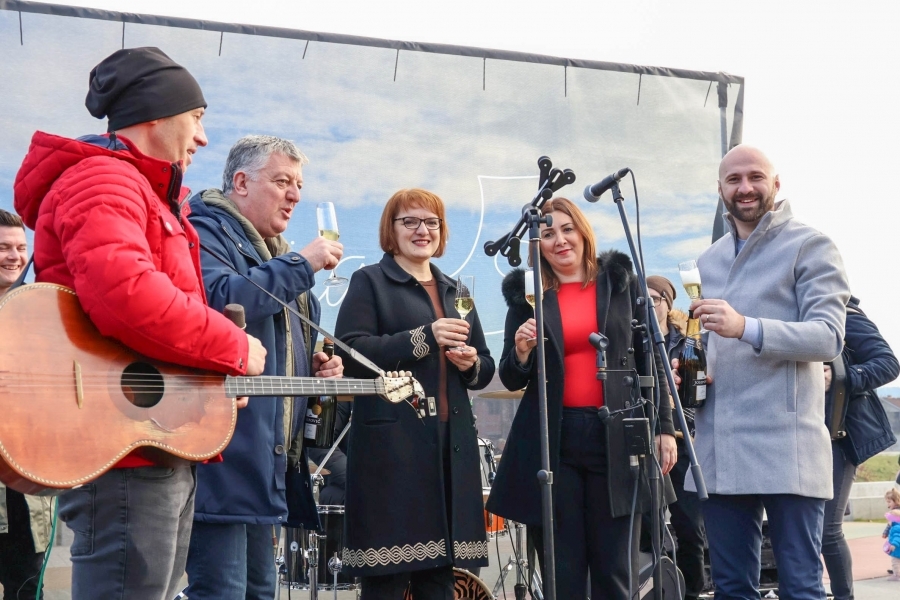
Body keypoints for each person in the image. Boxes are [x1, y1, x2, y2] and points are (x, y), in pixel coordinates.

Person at [12, 47, 266, 600]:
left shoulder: (140, 191)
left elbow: (149, 322)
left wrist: (206, 379)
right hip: (125, 448)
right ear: (157, 114)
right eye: (197, 118)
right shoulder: (106, 181)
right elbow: (125, 296)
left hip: (151, 442)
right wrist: (233, 347)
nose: (202, 137)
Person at [486, 197, 677, 600]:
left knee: (615, 570)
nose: (559, 240)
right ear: (536, 244)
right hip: (555, 439)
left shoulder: (619, 284)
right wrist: (521, 351)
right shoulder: (528, 296)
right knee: (563, 573)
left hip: (617, 436)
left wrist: (665, 429)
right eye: (547, 233)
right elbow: (509, 373)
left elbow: (650, 363)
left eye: (566, 229)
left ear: (583, 231)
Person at [683, 145, 849, 600]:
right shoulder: (707, 260)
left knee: (801, 588)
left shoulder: (811, 245)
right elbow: (711, 342)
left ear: (776, 184)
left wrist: (746, 327)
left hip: (786, 445)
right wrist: (695, 365)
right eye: (733, 179)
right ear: (720, 190)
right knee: (732, 589)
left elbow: (828, 337)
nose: (745, 187)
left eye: (756, 177)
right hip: (721, 446)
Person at [184, 135, 344, 599]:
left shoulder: (274, 251)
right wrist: (302, 262)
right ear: (240, 182)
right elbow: (221, 300)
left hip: (264, 465)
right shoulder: (205, 229)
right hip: (224, 460)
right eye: (282, 181)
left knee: (259, 594)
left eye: (298, 184)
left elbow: (276, 343)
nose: (295, 194)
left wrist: (313, 372)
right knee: (222, 592)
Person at [335, 188, 495, 599]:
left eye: (432, 222)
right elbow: (350, 352)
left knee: (439, 578)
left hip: (449, 448)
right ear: (391, 230)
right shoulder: (369, 280)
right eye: (410, 221)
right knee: (386, 580)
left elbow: (485, 366)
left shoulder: (457, 289)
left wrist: (470, 363)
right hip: (393, 449)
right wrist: (423, 338)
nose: (422, 230)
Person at [821, 296, 899, 600]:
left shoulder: (843, 313)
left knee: (827, 530)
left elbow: (889, 364)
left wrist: (839, 377)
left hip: (837, 438)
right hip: (794, 437)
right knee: (797, 532)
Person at [0, 209, 53, 600]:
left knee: (26, 586)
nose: (14, 256)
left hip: (26, 477)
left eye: (20, 247)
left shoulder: (41, 311)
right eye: (3, 247)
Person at [647, 275, 706, 600]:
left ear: (668, 304)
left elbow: (700, 397)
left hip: (685, 443)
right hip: (645, 442)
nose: (647, 304)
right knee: (650, 529)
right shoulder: (632, 340)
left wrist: (680, 386)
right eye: (641, 299)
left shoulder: (689, 341)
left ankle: (693, 593)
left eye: (654, 298)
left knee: (690, 529)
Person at [884, 489, 900, 582]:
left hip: (897, 546)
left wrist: (894, 544)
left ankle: (897, 575)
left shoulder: (896, 515)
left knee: (895, 560)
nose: (888, 504)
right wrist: (885, 532)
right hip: (896, 543)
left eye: (889, 501)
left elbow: (898, 534)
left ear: (896, 500)